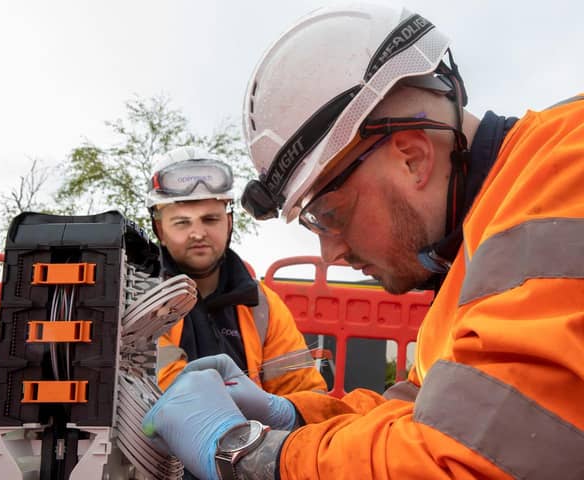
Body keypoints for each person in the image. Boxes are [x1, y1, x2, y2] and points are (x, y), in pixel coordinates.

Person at [142, 5, 584, 480]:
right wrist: (295, 417)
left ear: (411, 158)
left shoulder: (565, 174)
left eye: (330, 215)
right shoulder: (482, 246)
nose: (330, 254)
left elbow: (469, 457)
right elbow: (413, 413)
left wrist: (248, 453)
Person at [146, 146, 326, 394]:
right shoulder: (143, 301)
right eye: (182, 223)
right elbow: (165, 393)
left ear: (229, 223)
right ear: (160, 230)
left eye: (211, 219)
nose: (198, 233)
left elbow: (304, 392)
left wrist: (289, 414)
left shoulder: (262, 306)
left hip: (256, 432)